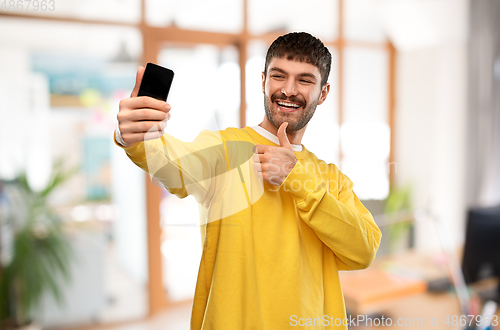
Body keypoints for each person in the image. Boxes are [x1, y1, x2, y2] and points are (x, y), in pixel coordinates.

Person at [115, 32, 381, 329]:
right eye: (279, 76)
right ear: (263, 81)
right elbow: (173, 165)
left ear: (323, 92)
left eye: (305, 80)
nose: (289, 90)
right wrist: (135, 137)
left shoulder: (332, 179)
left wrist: (297, 178)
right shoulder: (225, 149)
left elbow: (364, 249)